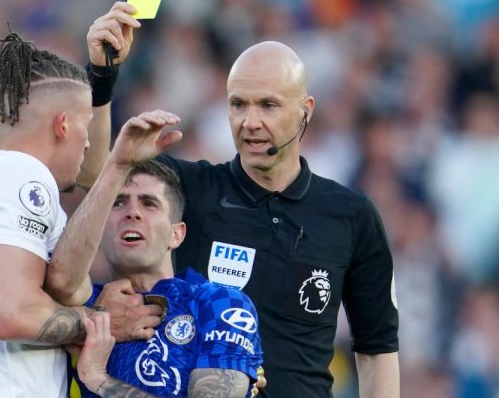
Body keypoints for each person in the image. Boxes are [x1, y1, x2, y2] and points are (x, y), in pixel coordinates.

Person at [0, 29, 182, 396]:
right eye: (86, 125)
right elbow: (11, 314)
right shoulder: (23, 175)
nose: (89, 142)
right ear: (63, 125)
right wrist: (103, 322)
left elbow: (63, 284)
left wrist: (118, 165)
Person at [152, 41, 400, 397]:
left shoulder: (352, 215)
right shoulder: (190, 189)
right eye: (238, 104)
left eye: (268, 105)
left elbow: (377, 349)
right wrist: (104, 76)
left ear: (305, 111)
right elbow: (91, 174)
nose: (250, 122)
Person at [72, 160, 264, 397]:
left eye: (149, 203)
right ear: (98, 230)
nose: (132, 212)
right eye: (118, 203)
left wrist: (97, 378)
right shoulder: (73, 303)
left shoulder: (219, 303)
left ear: (176, 234)